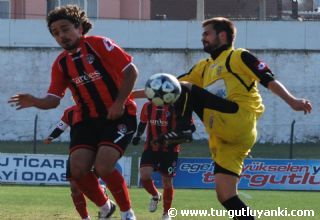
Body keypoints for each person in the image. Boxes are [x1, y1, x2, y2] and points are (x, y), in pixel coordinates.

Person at [156, 17, 312, 220]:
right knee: (226, 195)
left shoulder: (239, 56)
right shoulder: (204, 67)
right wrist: (128, 96)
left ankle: (185, 128)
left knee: (185, 87)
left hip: (238, 118)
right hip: (226, 137)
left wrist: (292, 101)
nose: (203, 38)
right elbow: (164, 86)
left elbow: (268, 79)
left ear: (222, 36)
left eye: (207, 34)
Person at [8, 5, 138, 220]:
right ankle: (106, 206)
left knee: (104, 166)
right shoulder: (60, 63)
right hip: (86, 120)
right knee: (77, 171)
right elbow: (52, 101)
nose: (61, 36)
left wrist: (119, 102)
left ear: (79, 27)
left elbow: (131, 71)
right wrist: (35, 101)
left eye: (65, 29)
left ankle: (127, 212)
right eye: (56, 33)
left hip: (118, 115)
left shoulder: (99, 45)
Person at [131, 101, 195, 220]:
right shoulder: (148, 106)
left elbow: (190, 128)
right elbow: (143, 122)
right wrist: (138, 135)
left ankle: (166, 213)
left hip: (170, 150)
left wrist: (181, 136)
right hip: (150, 148)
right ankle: (155, 195)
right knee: (144, 175)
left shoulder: (179, 107)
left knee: (167, 181)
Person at [44, 105, 106, 220]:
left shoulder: (98, 107)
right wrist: (52, 136)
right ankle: (85, 217)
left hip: (96, 150)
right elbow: (61, 126)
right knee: (74, 188)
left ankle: (103, 200)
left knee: (90, 185)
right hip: (76, 152)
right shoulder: (69, 112)